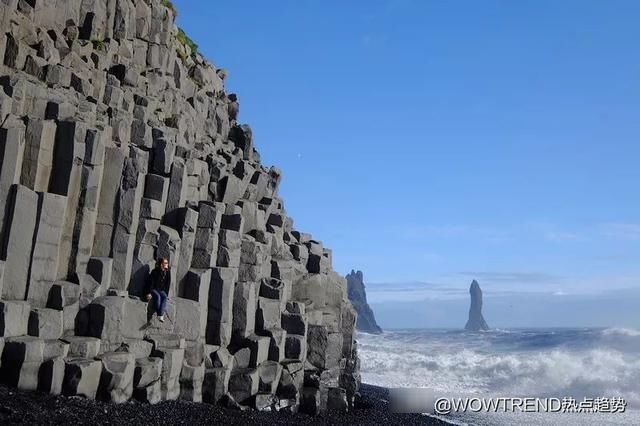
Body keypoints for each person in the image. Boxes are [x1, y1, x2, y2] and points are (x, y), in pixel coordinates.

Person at [145, 257, 171, 322]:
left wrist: (166, 294)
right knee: (158, 297)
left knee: (164, 297)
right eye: (165, 263)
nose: (166, 264)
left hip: (160, 290)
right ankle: (160, 314)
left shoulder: (167, 272)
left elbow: (168, 284)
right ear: (161, 264)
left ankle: (160, 315)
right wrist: (149, 293)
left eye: (167, 263)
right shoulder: (155, 272)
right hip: (153, 289)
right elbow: (150, 283)